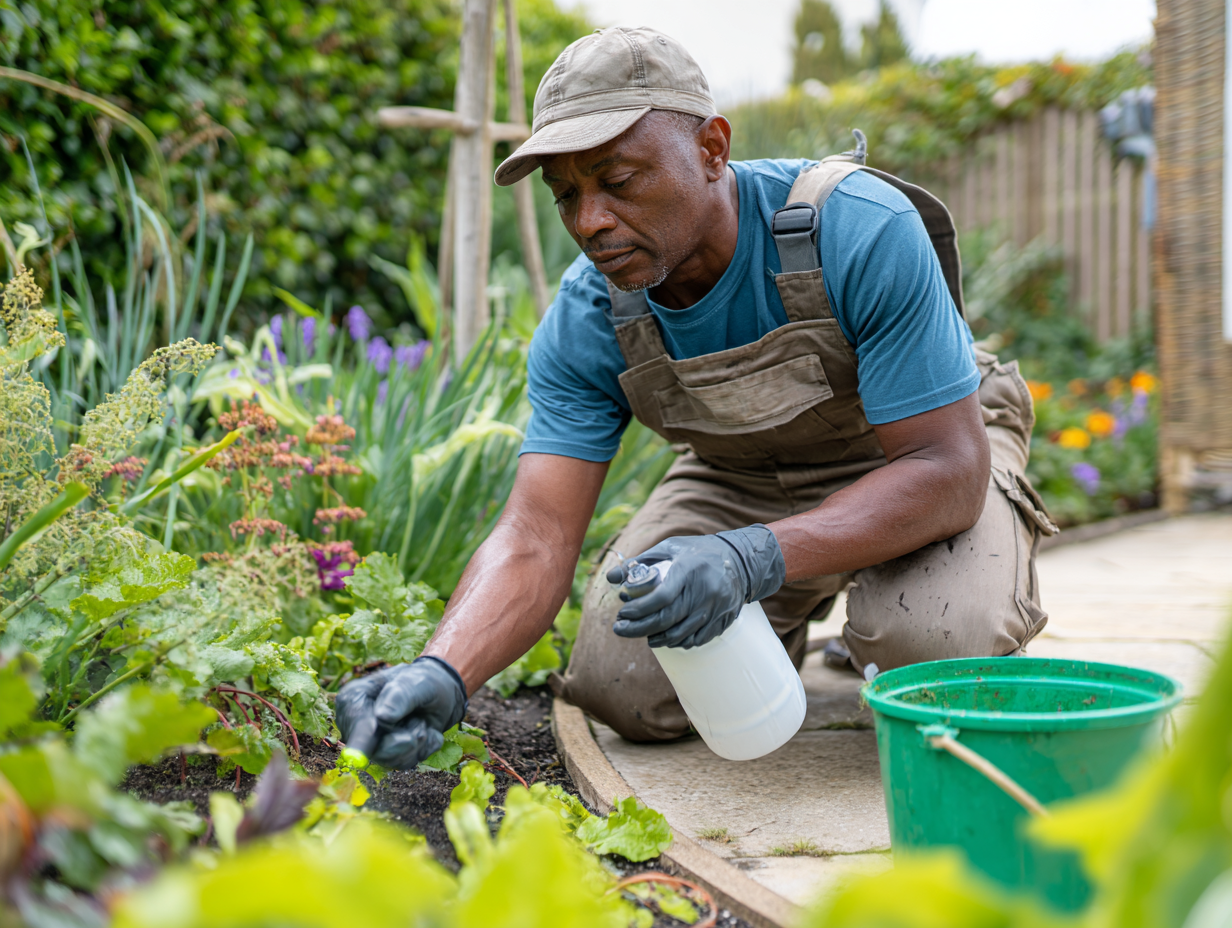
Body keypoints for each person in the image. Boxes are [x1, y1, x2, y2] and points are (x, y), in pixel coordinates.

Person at [335, 26, 1058, 767]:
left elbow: (947, 470)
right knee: (623, 685)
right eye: (567, 195)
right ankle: (792, 612)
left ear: (712, 149)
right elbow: (538, 533)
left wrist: (753, 558)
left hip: (918, 454)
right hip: (741, 477)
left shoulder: (857, 227)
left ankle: (923, 591)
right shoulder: (591, 314)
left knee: (933, 649)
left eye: (617, 181)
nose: (589, 222)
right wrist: (441, 671)